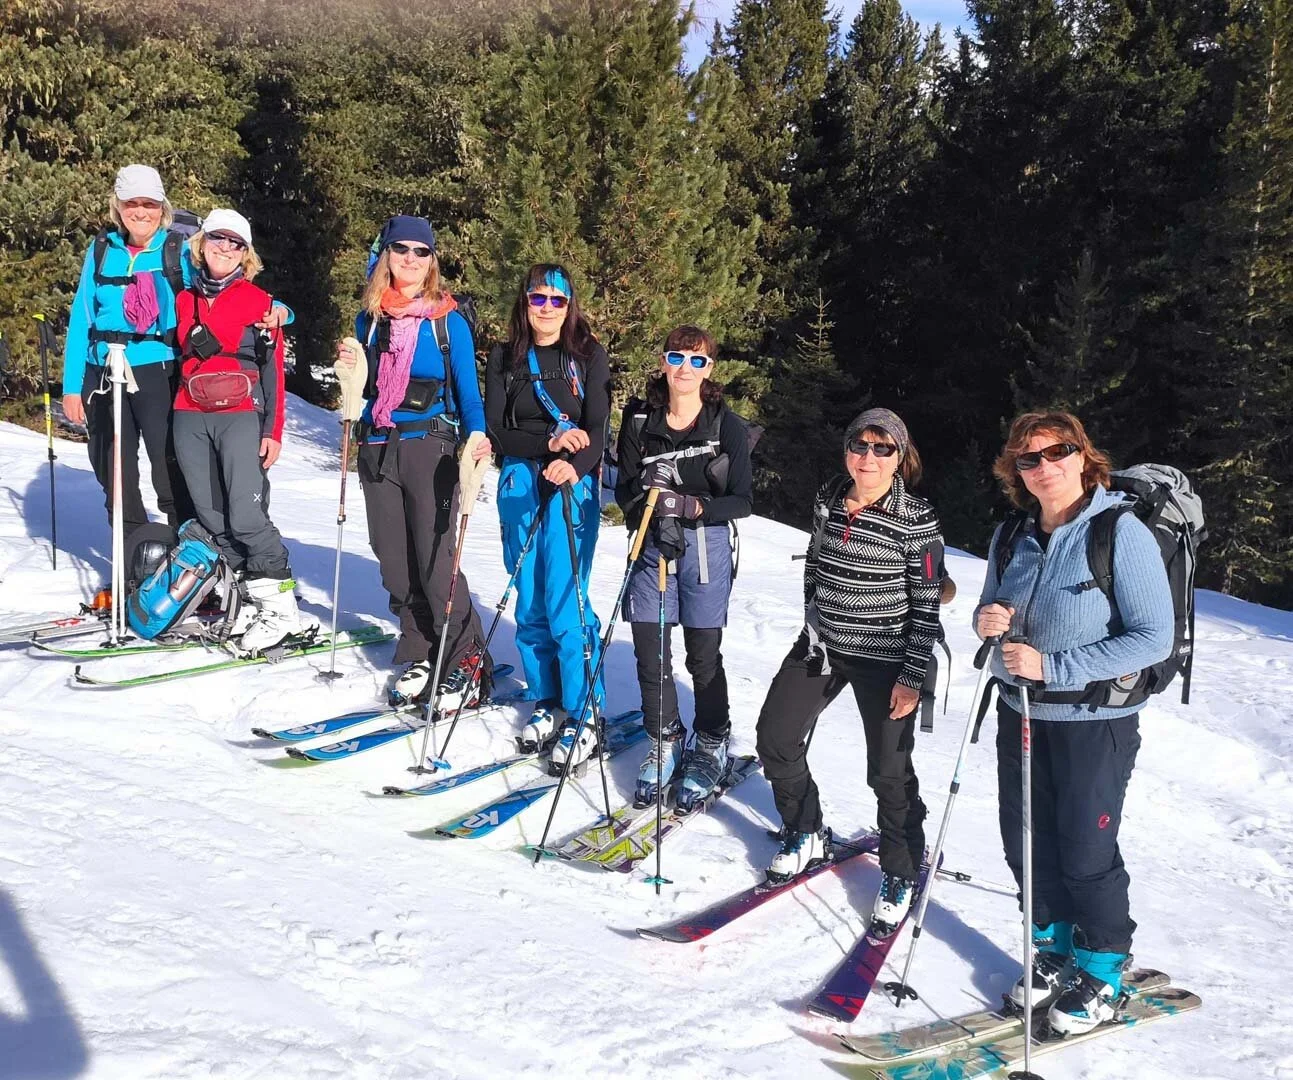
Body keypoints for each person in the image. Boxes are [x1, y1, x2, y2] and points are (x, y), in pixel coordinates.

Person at [974, 410, 1172, 1035]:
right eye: (1028, 459)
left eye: (1056, 451)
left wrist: (1053, 665)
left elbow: (1153, 638)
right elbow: (991, 601)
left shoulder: (1120, 532)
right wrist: (989, 618)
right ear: (1016, 472)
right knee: (1026, 846)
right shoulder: (1012, 534)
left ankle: (1104, 969)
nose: (1044, 467)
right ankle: (1056, 952)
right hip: (1021, 713)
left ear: (1083, 456)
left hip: (1094, 722)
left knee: (1085, 852)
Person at [755, 408, 943, 933]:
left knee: (887, 769)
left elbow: (926, 604)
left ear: (899, 458)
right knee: (776, 737)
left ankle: (901, 869)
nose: (869, 457)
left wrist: (912, 676)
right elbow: (815, 560)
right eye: (860, 446)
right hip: (822, 645)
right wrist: (812, 617)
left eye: (882, 449)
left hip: (888, 659)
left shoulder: (916, 518)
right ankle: (805, 828)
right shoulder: (830, 495)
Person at [63, 165, 288, 549]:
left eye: (149, 203)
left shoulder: (178, 250)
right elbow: (81, 318)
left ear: (161, 207)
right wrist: (71, 387)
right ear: (118, 206)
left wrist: (280, 309)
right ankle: (134, 568)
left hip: (159, 368)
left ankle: (189, 561)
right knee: (114, 474)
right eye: (131, 203)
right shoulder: (101, 250)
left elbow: (223, 290)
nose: (140, 211)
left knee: (170, 472)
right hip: (102, 370)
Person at [335, 215, 494, 707]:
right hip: (379, 445)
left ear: (432, 261)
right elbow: (364, 385)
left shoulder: (448, 323)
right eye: (400, 249)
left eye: (420, 251)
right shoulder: (371, 318)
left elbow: (469, 394)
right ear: (386, 254)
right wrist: (349, 373)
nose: (409, 258)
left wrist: (478, 438)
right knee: (393, 559)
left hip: (432, 447)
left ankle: (465, 659)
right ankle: (421, 647)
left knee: (435, 559)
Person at [614, 325, 752, 811]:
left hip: (705, 549)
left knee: (702, 655)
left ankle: (712, 738)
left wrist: (692, 507)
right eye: (677, 358)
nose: (685, 369)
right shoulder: (638, 419)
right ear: (663, 361)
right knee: (650, 648)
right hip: (652, 543)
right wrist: (646, 500)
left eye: (697, 361)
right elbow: (624, 490)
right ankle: (665, 737)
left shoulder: (725, 424)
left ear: (709, 369)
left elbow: (742, 500)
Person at [484, 264, 612, 769]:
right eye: (539, 299)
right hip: (519, 483)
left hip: (571, 489)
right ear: (525, 301)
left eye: (558, 301)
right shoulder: (503, 356)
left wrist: (572, 464)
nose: (547, 309)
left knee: (566, 600)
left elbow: (598, 430)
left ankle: (585, 710)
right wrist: (547, 443)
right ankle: (547, 699)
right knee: (530, 599)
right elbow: (496, 431)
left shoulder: (587, 356)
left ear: (570, 305)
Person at [170, 209, 304, 651]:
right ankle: (252, 598)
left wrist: (274, 429)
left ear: (246, 255)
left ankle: (282, 608)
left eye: (235, 243)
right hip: (188, 413)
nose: (225, 249)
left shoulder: (261, 304)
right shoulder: (184, 299)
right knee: (210, 515)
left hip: (240, 414)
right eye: (218, 239)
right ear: (202, 243)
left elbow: (274, 373)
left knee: (247, 516)